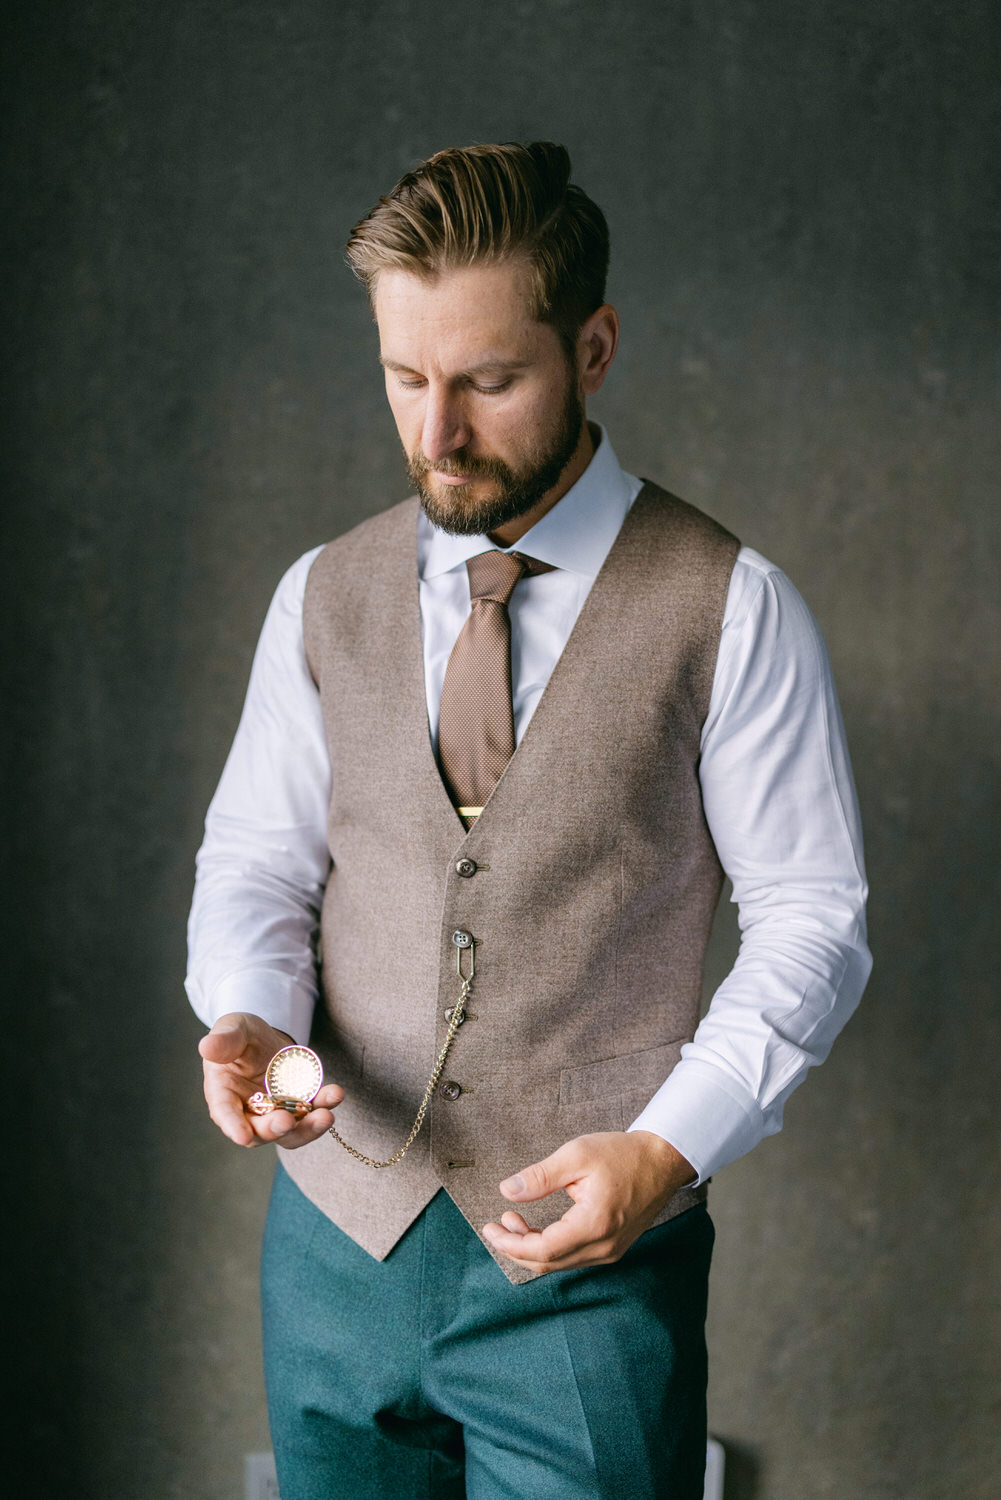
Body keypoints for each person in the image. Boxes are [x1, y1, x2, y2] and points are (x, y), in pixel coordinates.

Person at [186, 141, 871, 1499]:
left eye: (488, 381)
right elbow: (259, 857)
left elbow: (814, 918)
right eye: (403, 377)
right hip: (334, 1254)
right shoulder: (319, 594)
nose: (436, 433)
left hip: (588, 1278)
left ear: (593, 345)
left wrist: (666, 1148)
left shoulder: (730, 604)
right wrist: (250, 1017)